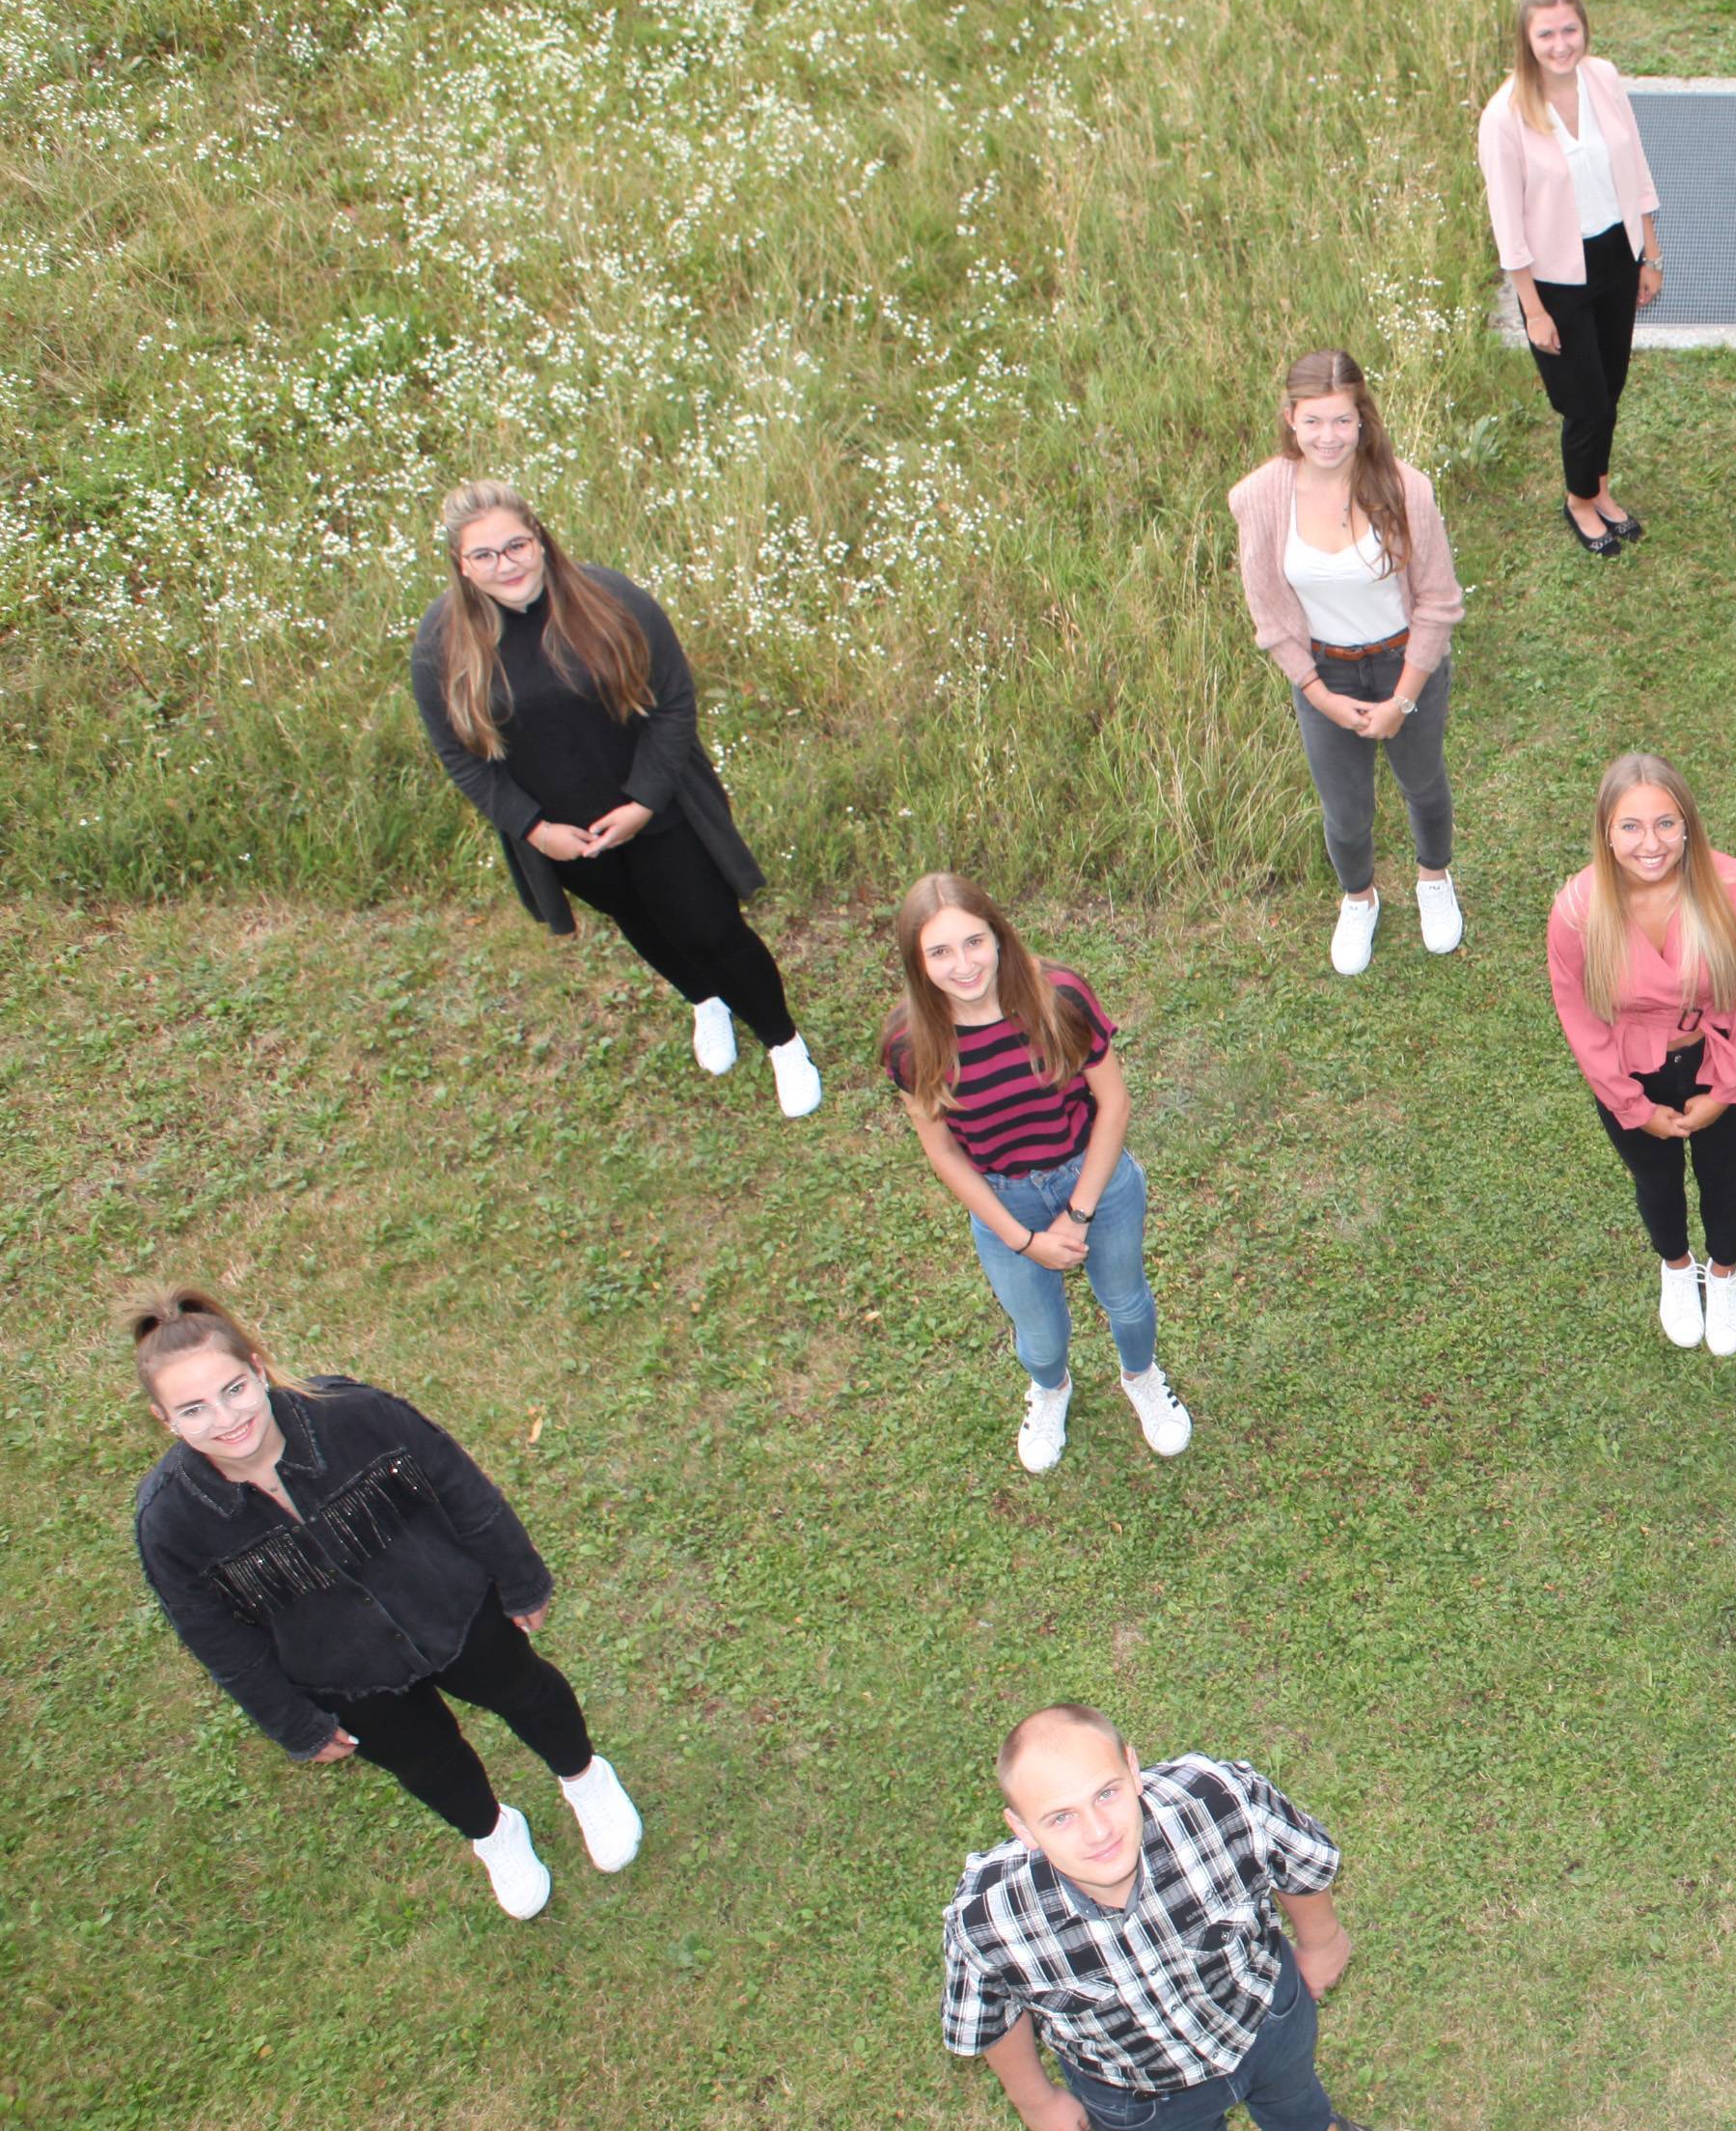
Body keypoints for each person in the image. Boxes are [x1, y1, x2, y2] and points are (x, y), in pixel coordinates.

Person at [128, 1289, 643, 1923]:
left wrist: (521, 1577)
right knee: (426, 1761)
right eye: (193, 1409)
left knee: (525, 1692)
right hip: (343, 1672)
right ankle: (494, 1834)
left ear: (259, 1369)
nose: (225, 1418)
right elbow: (215, 1638)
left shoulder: (354, 1414)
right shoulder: (170, 1522)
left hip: (452, 1608)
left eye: (234, 1389)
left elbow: (459, 1485)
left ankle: (585, 1777)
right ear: (165, 1420)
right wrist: (295, 1723)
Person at [941, 1706, 1417, 2131]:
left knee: (1295, 2093)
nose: (1098, 1831)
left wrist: (1321, 1940)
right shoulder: (988, 1917)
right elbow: (991, 2016)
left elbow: (1299, 1859)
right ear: (1023, 1828)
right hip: (1139, 2091)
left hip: (1262, 2022)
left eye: (1107, 1793)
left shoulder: (1218, 1800)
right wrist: (1036, 2101)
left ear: (1134, 1769)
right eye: (1060, 1817)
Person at [409, 478, 821, 1116]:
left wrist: (643, 803)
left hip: (656, 812)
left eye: (516, 545)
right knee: (641, 920)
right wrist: (535, 830)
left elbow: (674, 703)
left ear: (541, 540)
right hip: (564, 837)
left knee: (711, 929)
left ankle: (783, 1042)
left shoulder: (611, 599)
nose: (505, 564)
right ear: (460, 566)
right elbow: (461, 758)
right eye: (483, 556)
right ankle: (704, 1002)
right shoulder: (442, 643)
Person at [886, 873, 1195, 1475]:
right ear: (917, 963)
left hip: (1095, 1179)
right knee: (1040, 1334)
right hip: (1003, 1200)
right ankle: (1050, 1391)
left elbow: (1115, 1105)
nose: (964, 965)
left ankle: (1142, 1378)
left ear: (998, 935)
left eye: (974, 941)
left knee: (1126, 1303)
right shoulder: (910, 1042)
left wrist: (1077, 1212)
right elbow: (944, 1153)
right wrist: (1022, 1239)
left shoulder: (1060, 998)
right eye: (940, 952)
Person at [1229, 348, 1471, 977]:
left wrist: (1403, 700)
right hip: (1324, 675)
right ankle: (1359, 898)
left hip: (1405, 665)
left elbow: (1440, 603)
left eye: (1341, 421)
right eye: (1312, 422)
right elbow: (1271, 616)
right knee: (1345, 809)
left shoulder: (1404, 488)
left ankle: (1433, 878)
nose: (1327, 437)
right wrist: (1318, 695)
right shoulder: (1258, 499)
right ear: (1289, 419)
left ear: (1363, 419)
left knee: (1422, 782)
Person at [1546, 753, 1736, 1357]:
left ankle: (1723, 1275)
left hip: (1717, 1059)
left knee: (1726, 1177)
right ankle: (1677, 1268)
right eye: (1630, 826)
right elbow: (1578, 1016)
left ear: (1689, 825)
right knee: (1655, 1180)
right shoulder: (1576, 911)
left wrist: (1726, 1088)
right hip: (1632, 1073)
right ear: (1606, 832)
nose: (1651, 844)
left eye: (1666, 824)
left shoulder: (1732, 889)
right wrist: (1630, 1103)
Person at [1477, 0, 1665, 552]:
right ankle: (1579, 502)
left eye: (1570, 29)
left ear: (1583, 26)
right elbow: (1509, 225)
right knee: (1584, 402)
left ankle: (1601, 488)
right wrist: (1532, 311)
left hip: (1615, 252)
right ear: (1525, 40)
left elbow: (1634, 163)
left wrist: (1649, 253)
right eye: (1546, 34)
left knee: (1610, 386)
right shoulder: (1504, 115)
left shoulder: (1602, 78)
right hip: (1556, 275)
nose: (1561, 44)